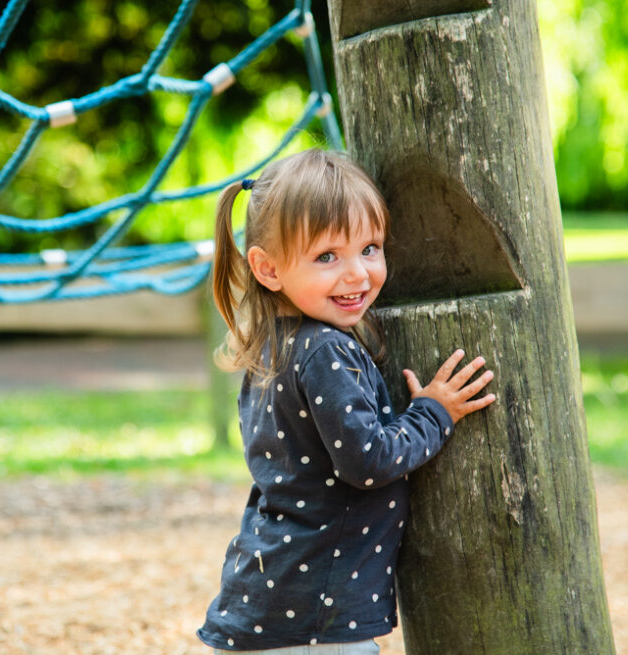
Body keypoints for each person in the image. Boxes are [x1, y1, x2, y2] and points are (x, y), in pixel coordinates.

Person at [198, 148, 496, 654]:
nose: (357, 274)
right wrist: (434, 412)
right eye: (327, 257)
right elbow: (368, 459)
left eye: (371, 248)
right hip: (314, 615)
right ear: (268, 269)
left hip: (274, 599)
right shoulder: (325, 350)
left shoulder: (274, 344)